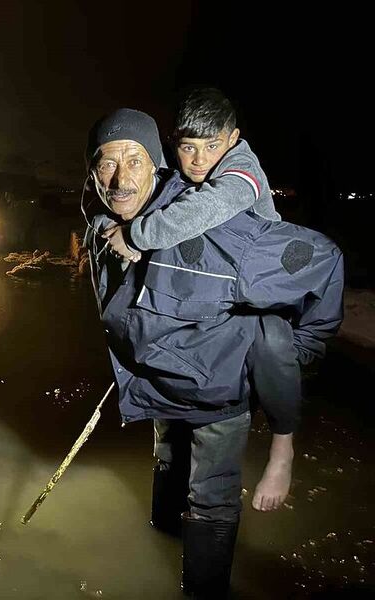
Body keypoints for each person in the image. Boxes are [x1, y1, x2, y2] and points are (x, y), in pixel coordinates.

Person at [81, 108, 343, 597]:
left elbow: (326, 261)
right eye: (106, 163)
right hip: (160, 386)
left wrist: (286, 353)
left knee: (211, 502)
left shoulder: (217, 232)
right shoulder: (104, 228)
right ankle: (157, 547)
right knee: (166, 471)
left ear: (158, 166)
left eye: (134, 161)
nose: (120, 178)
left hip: (218, 397)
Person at [104, 88, 301, 512]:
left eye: (211, 146)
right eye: (187, 148)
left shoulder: (240, 173)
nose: (198, 160)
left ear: (232, 139)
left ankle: (283, 449)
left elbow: (198, 213)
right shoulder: (178, 181)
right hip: (209, 296)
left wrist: (136, 235)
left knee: (273, 347)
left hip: (259, 289)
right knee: (172, 461)